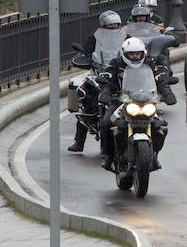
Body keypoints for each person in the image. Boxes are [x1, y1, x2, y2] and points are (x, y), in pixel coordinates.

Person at [97, 37, 175, 170]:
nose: (135, 56)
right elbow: (108, 77)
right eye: (131, 54)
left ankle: (154, 154)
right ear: (124, 54)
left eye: (137, 53)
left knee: (161, 125)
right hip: (121, 100)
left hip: (146, 100)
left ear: (142, 53)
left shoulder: (150, 63)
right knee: (105, 123)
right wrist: (106, 91)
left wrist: (167, 92)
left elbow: (160, 78)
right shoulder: (116, 63)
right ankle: (108, 155)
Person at [68, 10, 124, 153]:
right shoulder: (94, 38)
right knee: (85, 98)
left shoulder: (126, 38)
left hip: (118, 74)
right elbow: (85, 52)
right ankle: (79, 142)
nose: (113, 28)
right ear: (104, 26)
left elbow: (134, 50)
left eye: (116, 25)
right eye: (110, 25)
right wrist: (84, 58)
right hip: (98, 72)